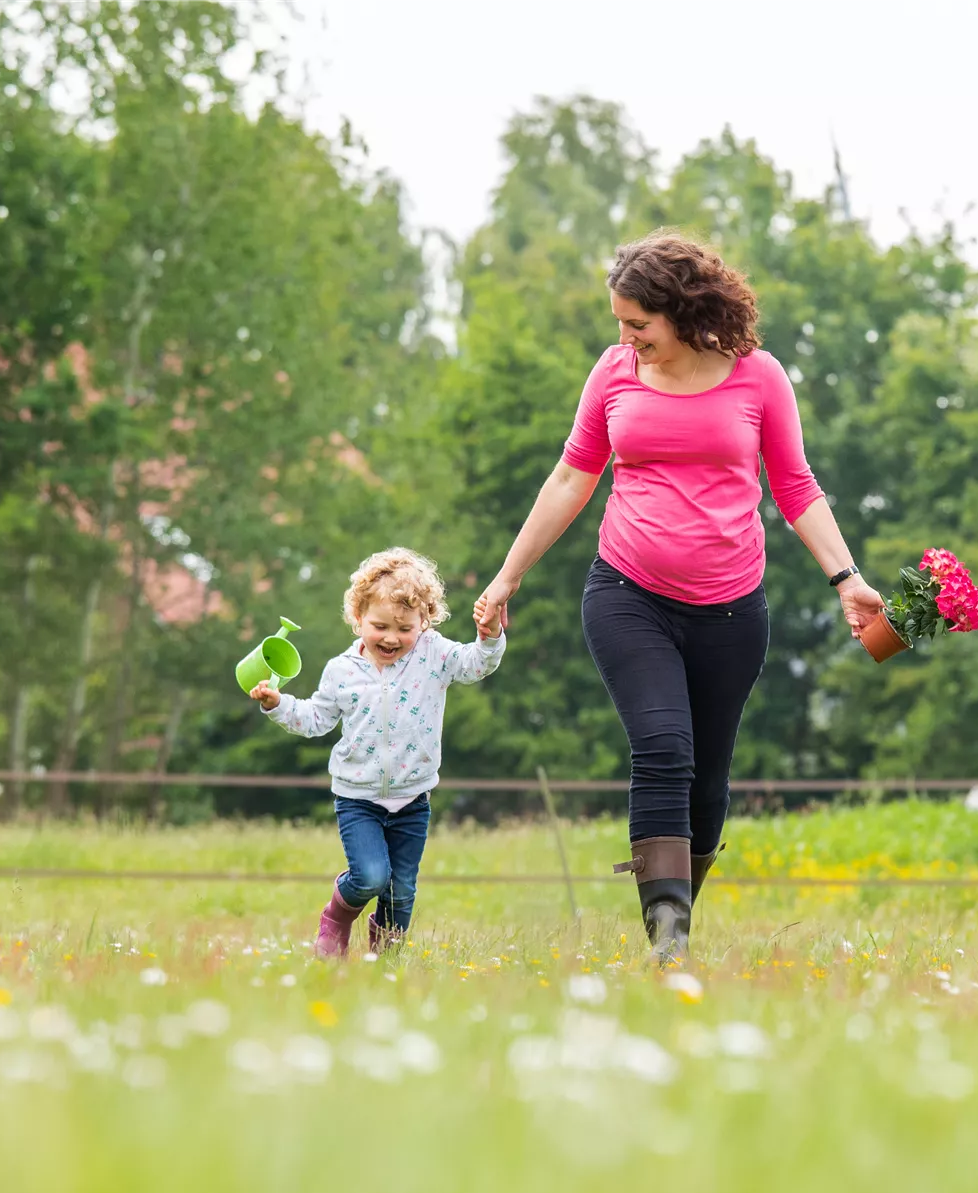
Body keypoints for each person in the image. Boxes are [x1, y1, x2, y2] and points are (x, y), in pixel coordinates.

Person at [476, 232, 884, 959]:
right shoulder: (614, 373)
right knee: (662, 747)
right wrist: (509, 575)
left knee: (708, 775)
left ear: (683, 310)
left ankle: (678, 913)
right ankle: (667, 935)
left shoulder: (758, 378)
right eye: (620, 324)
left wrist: (847, 579)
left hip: (732, 608)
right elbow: (573, 476)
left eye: (638, 324)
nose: (626, 338)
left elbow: (794, 486)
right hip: (627, 591)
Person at [252, 547, 506, 957]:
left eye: (405, 628)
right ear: (357, 619)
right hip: (358, 797)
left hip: (413, 797)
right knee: (370, 877)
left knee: (401, 889)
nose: (391, 637)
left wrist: (489, 636)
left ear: (425, 621)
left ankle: (386, 962)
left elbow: (475, 664)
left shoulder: (434, 655)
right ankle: (336, 917)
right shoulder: (341, 670)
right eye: (380, 625)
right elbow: (316, 719)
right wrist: (277, 704)